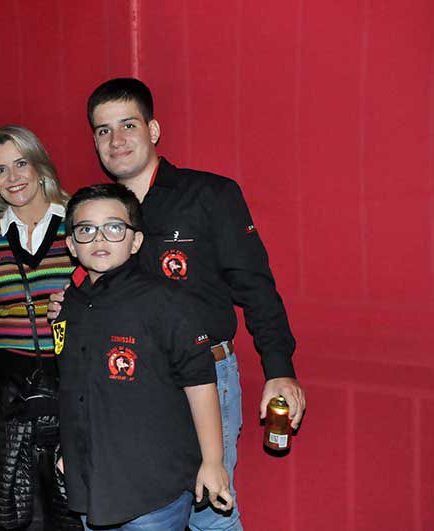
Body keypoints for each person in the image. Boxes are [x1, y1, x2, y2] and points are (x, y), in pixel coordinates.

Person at [50, 77, 306, 530]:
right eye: (104, 130)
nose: (116, 139)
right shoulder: (98, 214)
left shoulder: (209, 195)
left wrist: (279, 368)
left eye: (128, 125)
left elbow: (256, 287)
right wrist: (68, 307)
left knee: (210, 511)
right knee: (132, 507)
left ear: (153, 130)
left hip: (204, 378)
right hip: (124, 386)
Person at [54, 183, 232, 530]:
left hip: (153, 487)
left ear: (135, 241)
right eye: (86, 230)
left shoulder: (166, 302)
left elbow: (200, 383)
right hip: (91, 481)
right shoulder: (68, 305)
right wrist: (68, 452)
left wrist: (213, 461)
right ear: (72, 245)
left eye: (114, 227)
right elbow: (73, 387)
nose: (99, 238)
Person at [0, 125, 82, 530]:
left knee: (66, 497)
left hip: (69, 378)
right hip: (5, 386)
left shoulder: (79, 221)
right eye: (0, 170)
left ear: (39, 166)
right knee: (9, 501)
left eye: (21, 163)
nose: (13, 177)